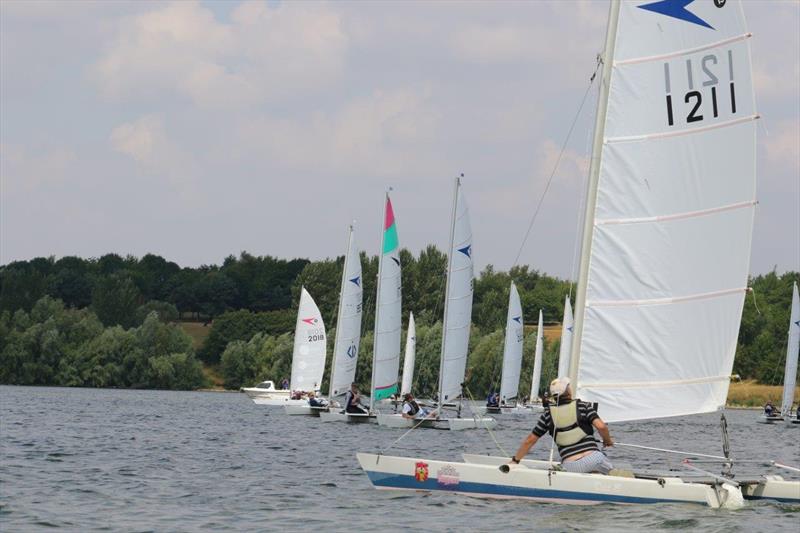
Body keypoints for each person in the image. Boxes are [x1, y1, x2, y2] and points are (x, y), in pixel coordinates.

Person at [507, 377, 614, 475]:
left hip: (571, 466)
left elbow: (530, 440)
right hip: (594, 459)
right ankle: (607, 475)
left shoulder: (547, 415)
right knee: (607, 466)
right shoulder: (584, 406)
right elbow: (601, 427)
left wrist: (515, 460)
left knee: (570, 467)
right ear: (568, 391)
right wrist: (607, 440)